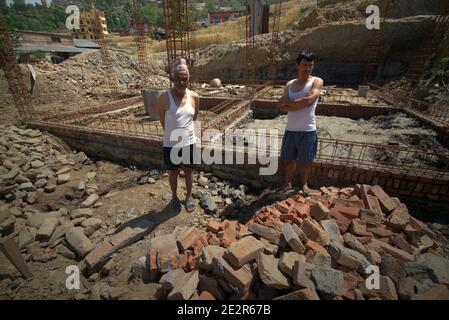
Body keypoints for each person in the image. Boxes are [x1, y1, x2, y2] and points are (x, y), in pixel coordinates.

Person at [277, 50, 324, 195]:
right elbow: (279, 104)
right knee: (289, 160)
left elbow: (310, 100)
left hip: (308, 130)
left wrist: (290, 104)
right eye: (305, 65)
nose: (308, 68)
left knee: (306, 161)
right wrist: (301, 103)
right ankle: (287, 183)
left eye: (311, 65)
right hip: (291, 129)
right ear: (298, 65)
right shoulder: (290, 84)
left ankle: (304, 185)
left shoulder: (316, 81)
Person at [158, 57, 200, 212]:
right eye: (178, 79)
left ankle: (189, 196)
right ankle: (174, 197)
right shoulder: (164, 98)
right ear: (172, 79)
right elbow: (163, 120)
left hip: (189, 141)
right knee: (174, 172)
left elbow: (193, 118)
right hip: (171, 144)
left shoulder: (194, 97)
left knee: (188, 171)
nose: (182, 83)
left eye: (185, 79)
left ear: (188, 79)